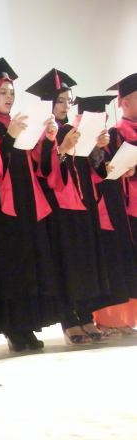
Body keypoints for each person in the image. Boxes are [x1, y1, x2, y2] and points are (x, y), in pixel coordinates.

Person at [0, 58, 60, 352]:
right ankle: (13, 328)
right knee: (10, 266)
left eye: (11, 92)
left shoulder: (17, 123)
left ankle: (28, 326)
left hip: (26, 199)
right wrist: (8, 137)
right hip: (1, 205)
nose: (8, 97)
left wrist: (49, 140)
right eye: (2, 92)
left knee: (29, 263)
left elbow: (39, 165)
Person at [26, 70, 111, 345]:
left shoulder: (73, 128)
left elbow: (88, 167)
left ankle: (85, 315)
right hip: (57, 205)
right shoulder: (41, 132)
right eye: (60, 101)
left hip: (80, 201)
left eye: (67, 100)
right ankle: (68, 319)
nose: (65, 106)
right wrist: (61, 148)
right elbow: (42, 171)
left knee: (82, 261)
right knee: (63, 262)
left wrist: (97, 148)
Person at [93, 73, 137, 335]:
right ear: (125, 102)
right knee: (123, 262)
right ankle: (114, 319)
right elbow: (105, 170)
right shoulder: (115, 133)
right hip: (124, 207)